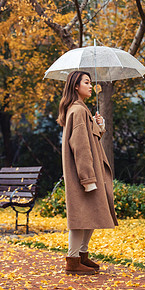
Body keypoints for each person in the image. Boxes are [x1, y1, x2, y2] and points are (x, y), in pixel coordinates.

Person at [57, 71, 118, 275]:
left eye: (91, 82)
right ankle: (73, 260)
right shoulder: (78, 110)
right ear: (76, 86)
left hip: (85, 173)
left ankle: (82, 256)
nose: (91, 86)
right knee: (81, 217)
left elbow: (90, 140)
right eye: (86, 82)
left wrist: (100, 127)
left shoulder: (80, 110)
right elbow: (81, 147)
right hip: (83, 175)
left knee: (91, 213)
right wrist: (88, 178)